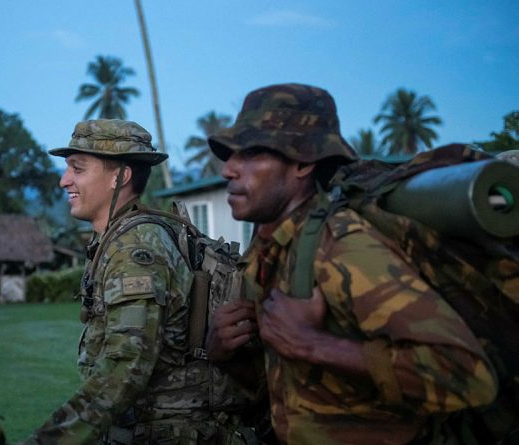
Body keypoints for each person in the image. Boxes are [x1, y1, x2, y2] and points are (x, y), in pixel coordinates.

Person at [204, 83, 498, 444]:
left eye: (251, 154)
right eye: (230, 153)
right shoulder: (273, 248)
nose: (228, 170)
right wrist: (225, 353)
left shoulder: (339, 245)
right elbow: (289, 385)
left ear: (303, 162)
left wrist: (312, 344)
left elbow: (467, 376)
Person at [23, 119, 248, 444]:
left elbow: (124, 368)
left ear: (120, 176)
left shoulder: (136, 247)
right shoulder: (121, 238)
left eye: (78, 168)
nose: (64, 180)